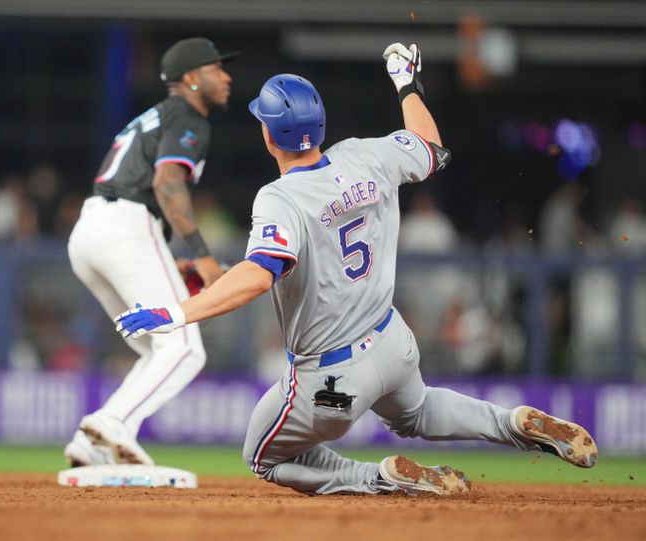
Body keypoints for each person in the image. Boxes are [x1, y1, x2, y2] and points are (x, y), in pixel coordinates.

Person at [114, 43, 598, 495]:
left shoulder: (279, 197)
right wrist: (406, 83)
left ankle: (378, 477)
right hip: (392, 345)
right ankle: (509, 424)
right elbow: (430, 146)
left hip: (335, 387)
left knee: (260, 455)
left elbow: (261, 274)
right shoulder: (367, 155)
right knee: (420, 410)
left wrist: (178, 313)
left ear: (268, 134)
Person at [63, 37, 238, 467]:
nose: (227, 76)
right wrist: (201, 255)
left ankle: (93, 442)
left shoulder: (155, 115)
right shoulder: (189, 115)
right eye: (217, 69)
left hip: (91, 231)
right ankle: (110, 423)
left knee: (158, 348)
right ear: (192, 79)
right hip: (127, 227)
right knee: (185, 349)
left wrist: (160, 252)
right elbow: (165, 183)